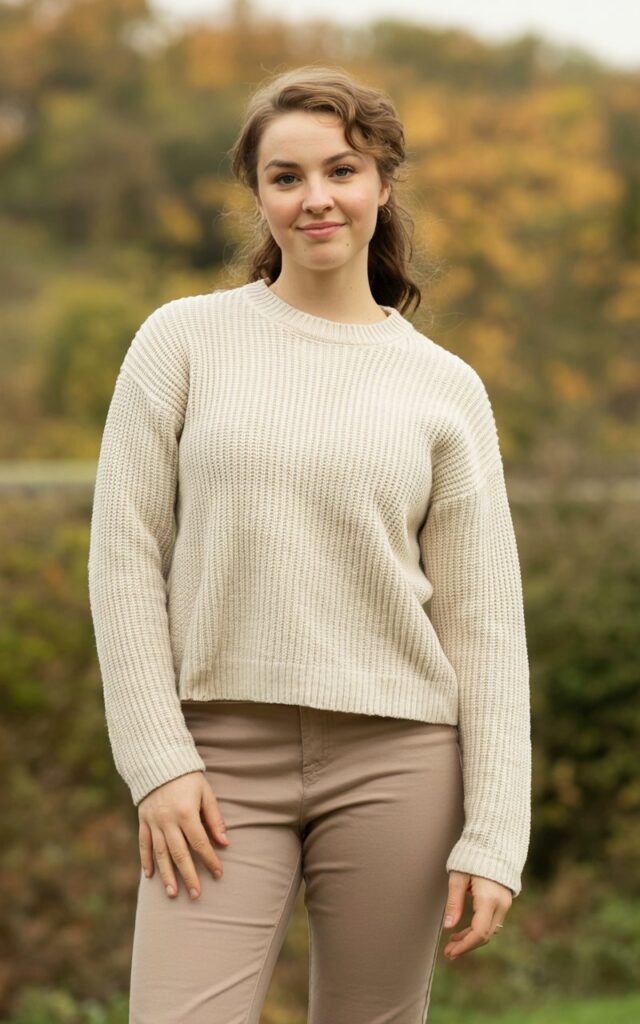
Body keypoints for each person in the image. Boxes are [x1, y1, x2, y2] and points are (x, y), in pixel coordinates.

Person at [88, 64, 531, 1023]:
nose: (316, 197)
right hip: (215, 762)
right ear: (258, 195)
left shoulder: (444, 388)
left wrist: (496, 831)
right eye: (286, 176)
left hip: (402, 761)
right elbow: (124, 557)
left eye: (342, 170)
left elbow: (485, 623)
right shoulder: (183, 342)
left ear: (382, 184)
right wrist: (158, 760)